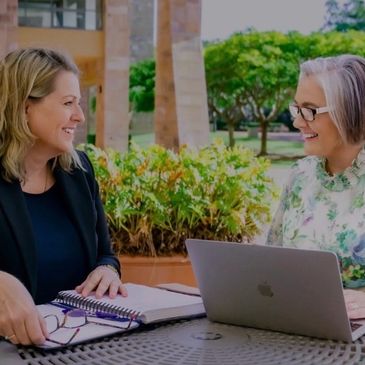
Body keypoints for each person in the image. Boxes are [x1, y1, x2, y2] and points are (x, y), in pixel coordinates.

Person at [0, 47, 127, 346]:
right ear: (24, 107)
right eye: (68, 103)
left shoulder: (80, 170)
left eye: (78, 103)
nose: (80, 116)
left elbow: (105, 254)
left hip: (82, 346)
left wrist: (107, 270)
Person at [267, 54, 365, 320]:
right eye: (296, 109)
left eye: (309, 110)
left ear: (351, 110)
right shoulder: (299, 175)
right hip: (295, 329)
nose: (298, 122)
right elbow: (271, 259)